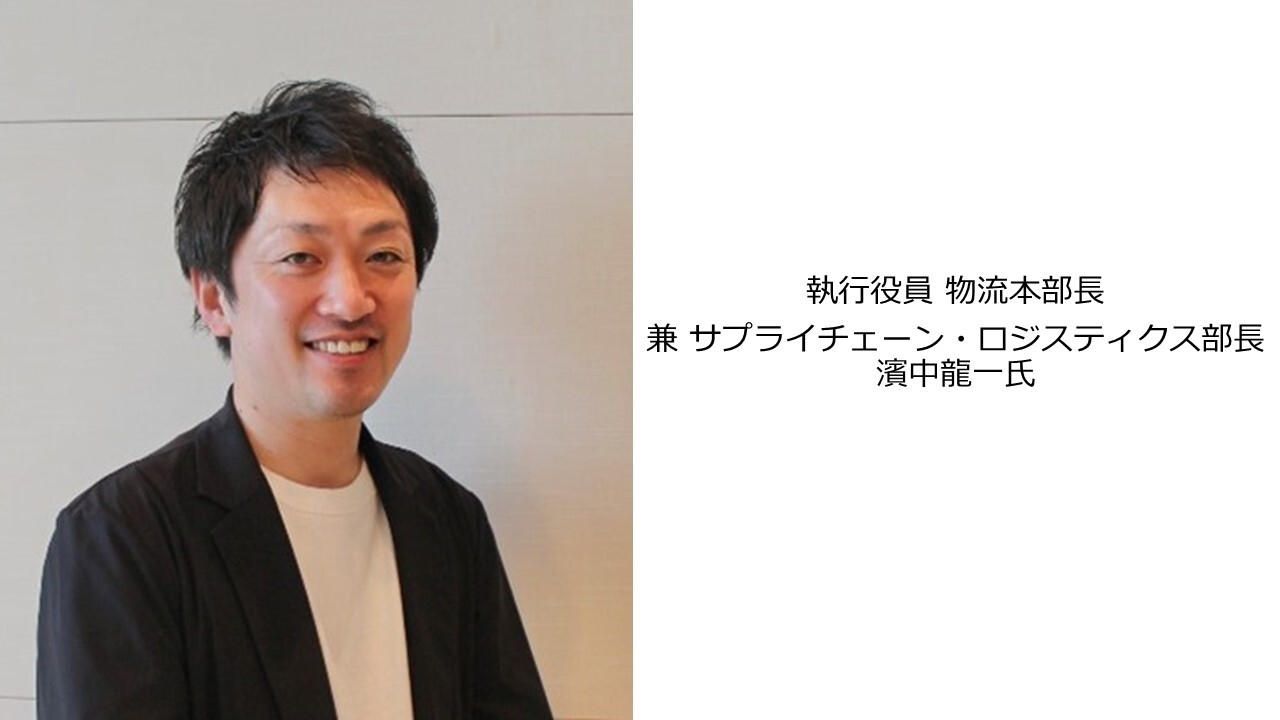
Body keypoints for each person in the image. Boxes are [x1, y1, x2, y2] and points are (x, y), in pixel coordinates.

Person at [36, 80, 553, 720]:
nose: (351, 299)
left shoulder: (448, 520)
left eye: (383, 255)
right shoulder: (123, 538)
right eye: (301, 257)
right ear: (213, 297)